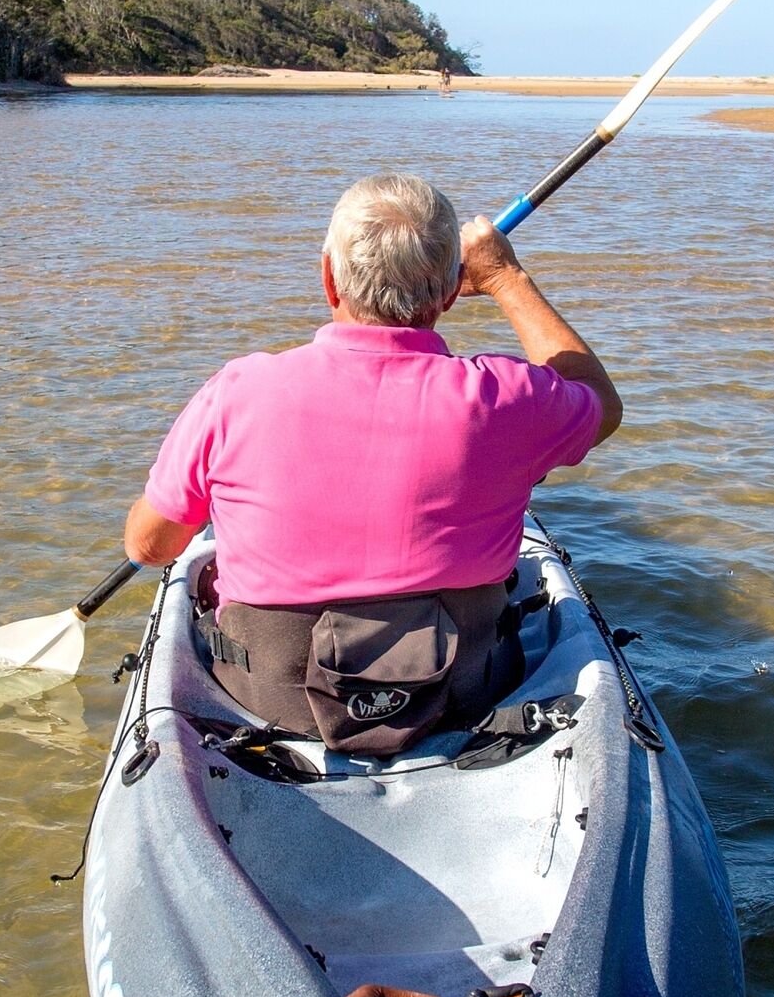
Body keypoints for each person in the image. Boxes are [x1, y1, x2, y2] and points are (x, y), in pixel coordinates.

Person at [122, 173, 624, 752]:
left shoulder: (238, 391)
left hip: (270, 702)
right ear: (453, 293)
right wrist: (507, 279)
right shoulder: (509, 397)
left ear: (329, 277)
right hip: (463, 694)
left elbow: (149, 547)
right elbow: (601, 404)